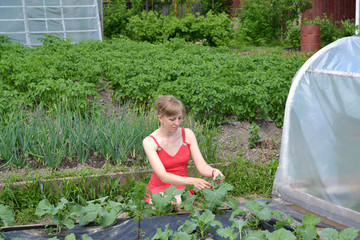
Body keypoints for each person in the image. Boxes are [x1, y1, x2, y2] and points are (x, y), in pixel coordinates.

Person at [143, 95, 225, 207]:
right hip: (159, 187)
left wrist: (214, 172)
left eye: (180, 118)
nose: (177, 123)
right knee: (164, 205)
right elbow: (163, 175)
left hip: (182, 187)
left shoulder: (187, 134)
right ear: (160, 118)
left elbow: (202, 166)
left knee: (180, 204)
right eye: (172, 119)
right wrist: (192, 181)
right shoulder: (150, 141)